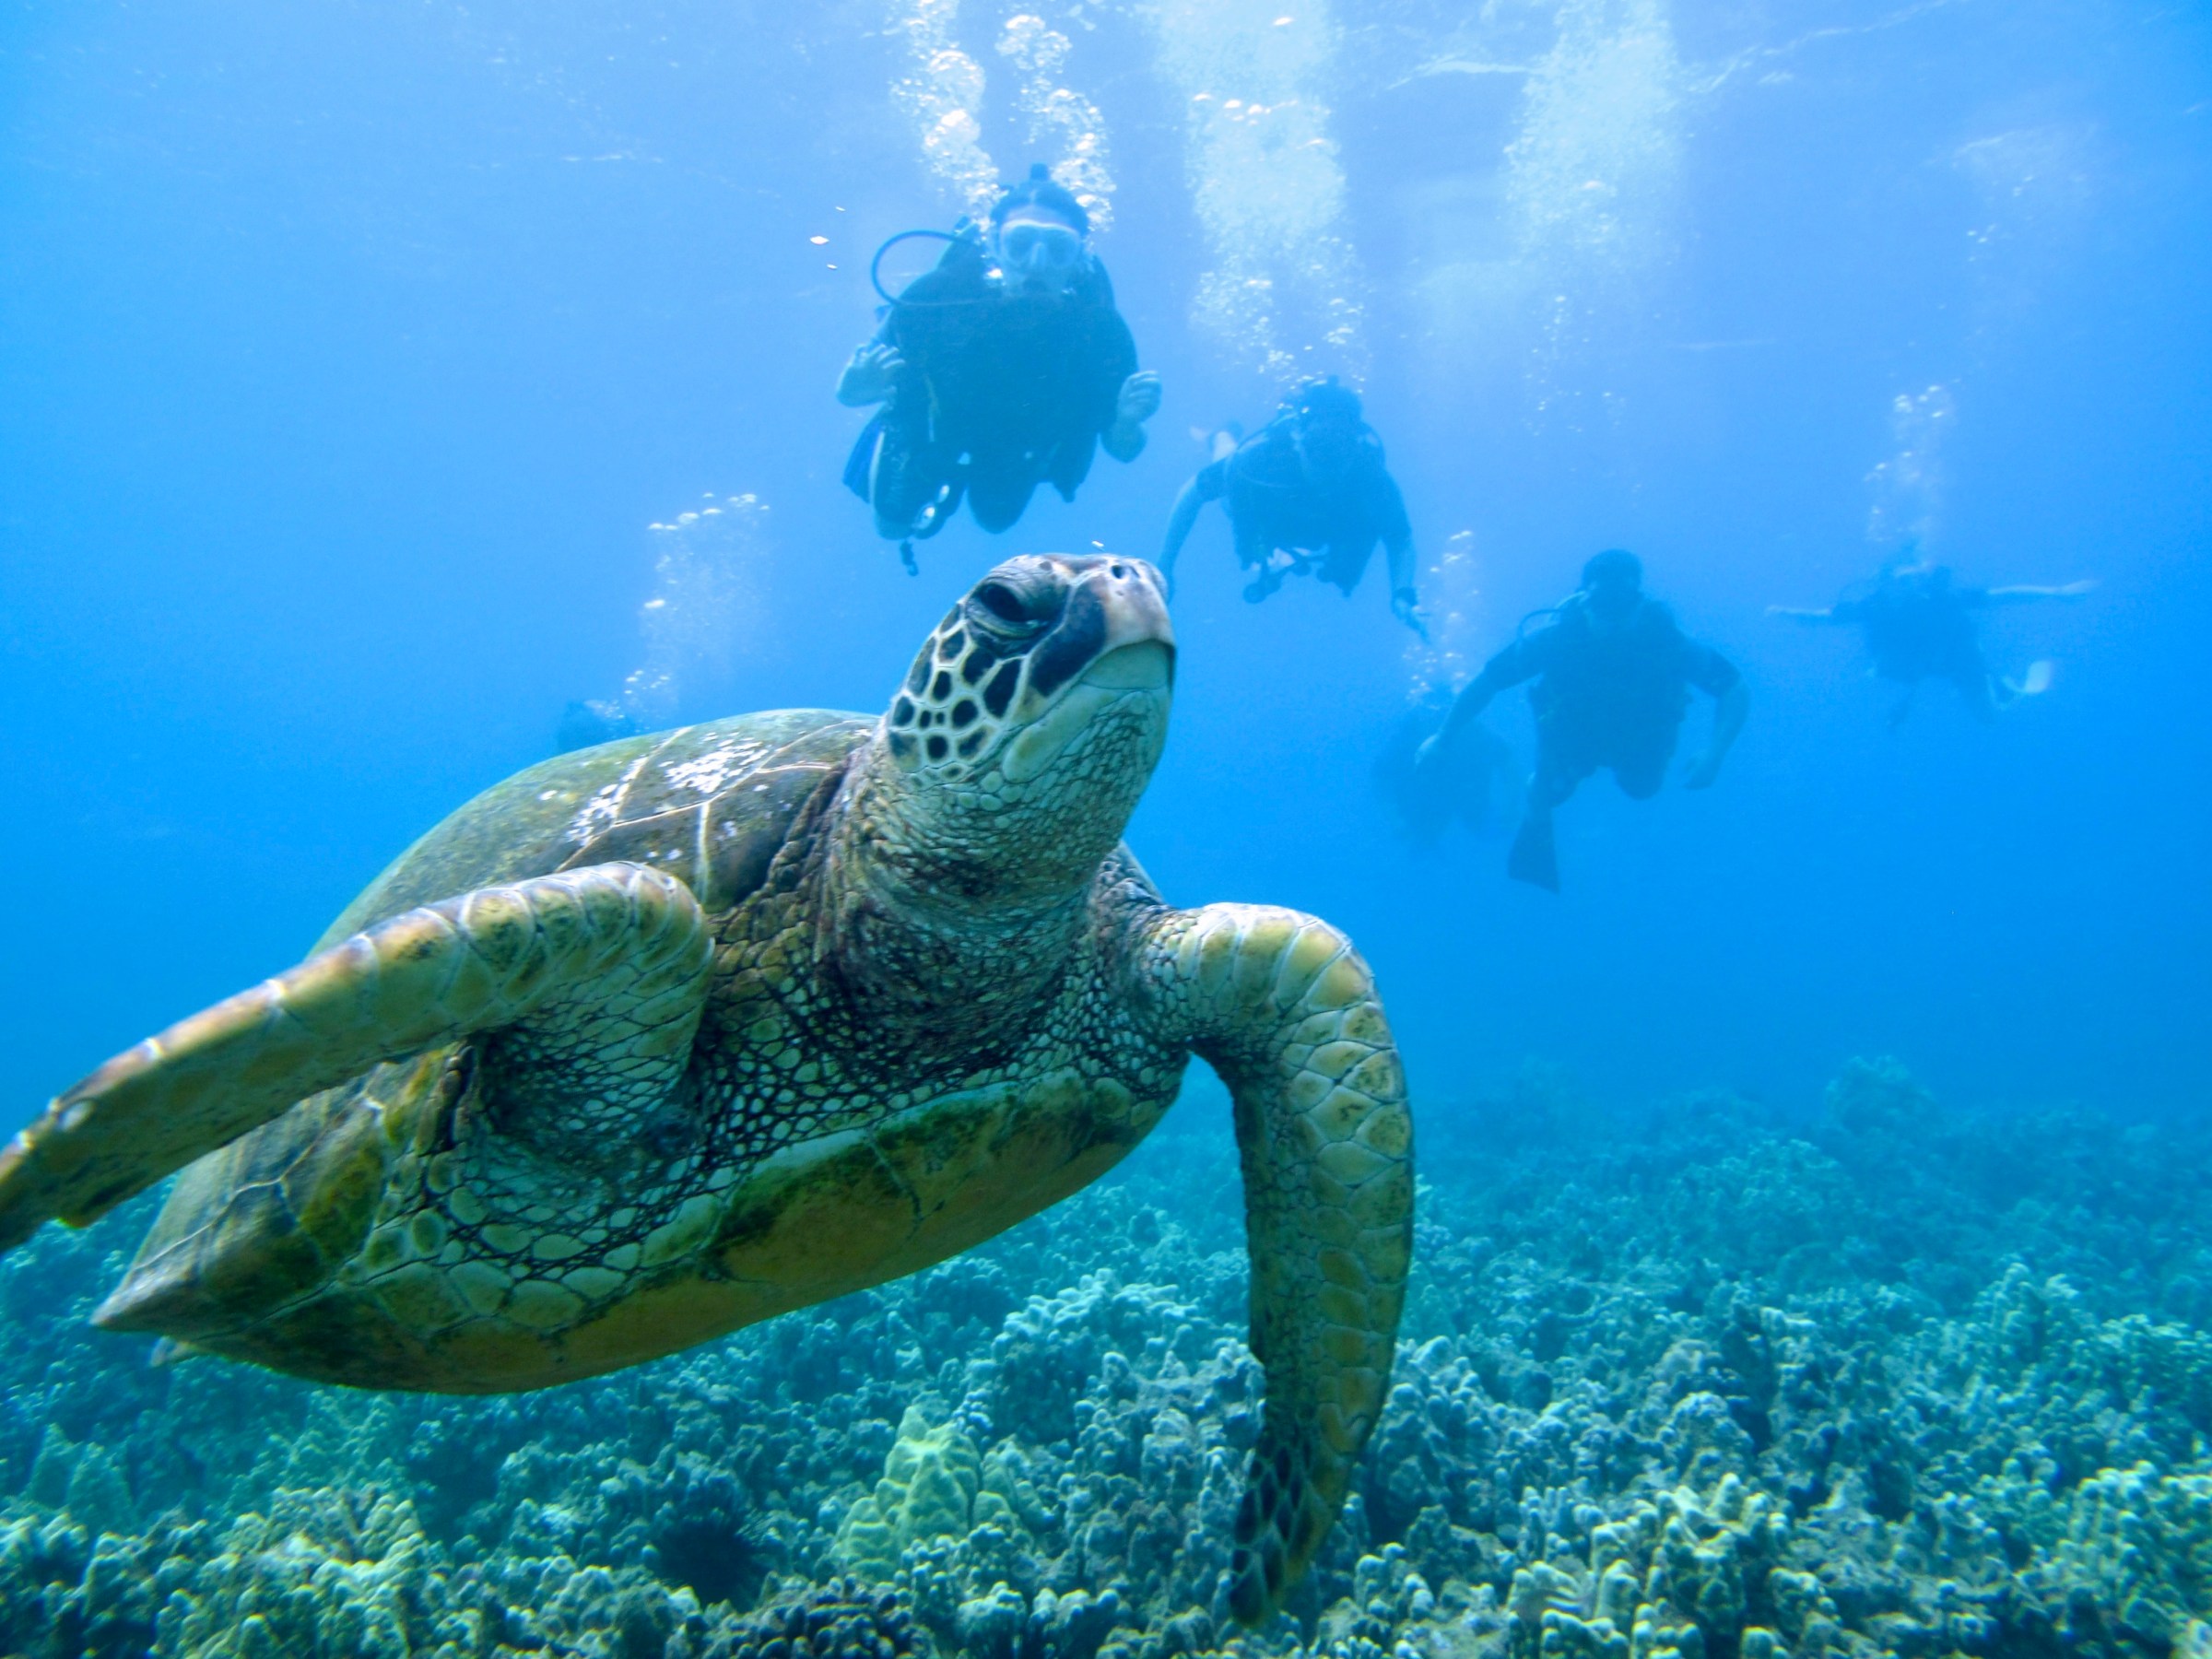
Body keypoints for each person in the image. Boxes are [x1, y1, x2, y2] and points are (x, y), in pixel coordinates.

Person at [838, 165, 1161, 567]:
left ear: (1080, 256)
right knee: (891, 527)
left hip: (1018, 444)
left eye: (1058, 249)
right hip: (934, 426)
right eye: (1021, 243)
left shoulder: (1102, 332)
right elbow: (850, 391)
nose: (1037, 263)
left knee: (996, 521)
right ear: (993, 244)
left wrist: (1127, 422)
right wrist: (857, 391)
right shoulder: (935, 295)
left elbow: (1123, 449)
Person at [1417, 549, 1747, 891]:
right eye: (1603, 606)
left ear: (1639, 602)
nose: (1611, 619)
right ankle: (1537, 806)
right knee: (1550, 792)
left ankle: (1546, 790)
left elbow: (1734, 689)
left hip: (1643, 738)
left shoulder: (1667, 642)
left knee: (1641, 789)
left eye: (1621, 606)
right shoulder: (1555, 639)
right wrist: (1443, 736)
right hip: (1574, 737)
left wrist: (1715, 753)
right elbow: (1487, 682)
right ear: (1584, 600)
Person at [1158, 377, 1423, 633]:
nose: (1326, 466)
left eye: (1339, 450)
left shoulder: (1370, 476)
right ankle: (1222, 436)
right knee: (1228, 475)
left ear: (1354, 447)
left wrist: (1403, 595)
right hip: (1266, 516)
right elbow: (1193, 491)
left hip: (1321, 530)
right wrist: (1165, 566)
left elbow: (1400, 538)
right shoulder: (1261, 458)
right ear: (1297, 438)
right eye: (1317, 448)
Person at [1769, 550, 2094, 728]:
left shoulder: (1942, 597)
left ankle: (2008, 690)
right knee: (1889, 668)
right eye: (1899, 582)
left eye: (1912, 581)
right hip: (1914, 663)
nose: (1907, 589)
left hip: (1958, 658)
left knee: (1989, 719)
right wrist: (1788, 613)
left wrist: (2055, 593)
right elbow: (1825, 618)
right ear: (1886, 583)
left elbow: (2003, 596)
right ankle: (2001, 688)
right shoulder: (1875, 606)